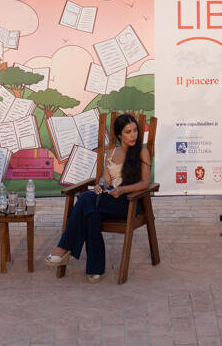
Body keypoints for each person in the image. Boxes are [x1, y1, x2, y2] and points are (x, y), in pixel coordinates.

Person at [44, 113, 151, 282]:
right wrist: (100, 185)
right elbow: (105, 179)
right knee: (91, 213)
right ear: (119, 135)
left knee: (85, 199)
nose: (133, 135)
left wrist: (123, 190)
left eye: (135, 131)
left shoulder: (142, 152)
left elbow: (145, 183)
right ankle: (95, 269)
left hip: (129, 202)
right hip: (110, 199)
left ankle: (63, 248)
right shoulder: (111, 153)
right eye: (128, 132)